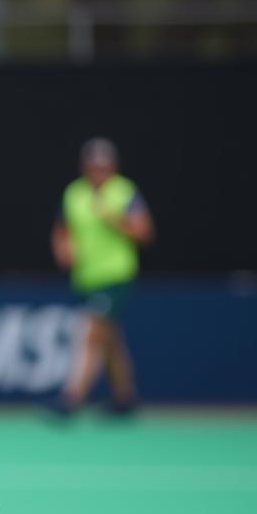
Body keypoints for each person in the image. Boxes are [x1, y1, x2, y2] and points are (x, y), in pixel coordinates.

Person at [51, 138, 155, 414]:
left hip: (116, 276)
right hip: (87, 278)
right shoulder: (74, 194)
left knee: (93, 332)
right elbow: (62, 231)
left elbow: (144, 231)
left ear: (112, 167)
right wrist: (63, 249)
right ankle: (125, 396)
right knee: (110, 337)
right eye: (93, 166)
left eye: (103, 166)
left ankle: (72, 398)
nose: (98, 171)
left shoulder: (124, 192)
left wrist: (116, 220)